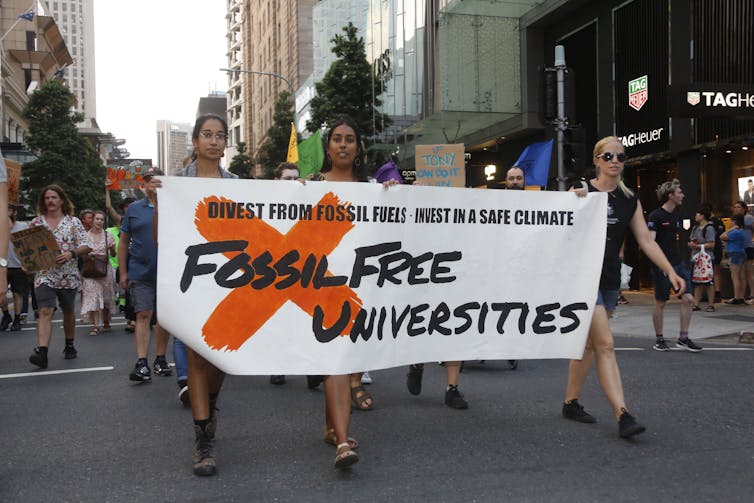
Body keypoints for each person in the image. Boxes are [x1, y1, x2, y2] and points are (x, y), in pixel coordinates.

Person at [563, 136, 685, 438]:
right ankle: (622, 414)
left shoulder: (629, 198)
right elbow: (560, 228)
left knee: (589, 345)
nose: (615, 160)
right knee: (605, 343)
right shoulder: (582, 192)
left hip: (608, 279)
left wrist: (670, 271)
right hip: (581, 279)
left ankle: (570, 402)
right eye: (608, 156)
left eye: (620, 156)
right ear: (597, 160)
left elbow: (645, 240)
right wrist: (571, 200)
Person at [154, 113, 238, 476]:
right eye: (207, 134)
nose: (214, 141)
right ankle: (203, 440)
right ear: (195, 140)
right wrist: (159, 201)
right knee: (197, 357)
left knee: (221, 359)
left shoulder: (238, 184)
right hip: (191, 280)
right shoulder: (176, 184)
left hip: (229, 279)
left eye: (220, 135)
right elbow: (161, 236)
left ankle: (211, 404)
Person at [28, 185, 92, 369]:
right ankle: (42, 351)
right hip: (44, 274)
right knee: (45, 310)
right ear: (43, 201)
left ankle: (69, 343)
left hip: (68, 274)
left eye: (54, 197)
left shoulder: (73, 222)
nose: (50, 201)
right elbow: (28, 248)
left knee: (68, 311)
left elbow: (87, 245)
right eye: (47, 198)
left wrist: (71, 254)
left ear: (62, 200)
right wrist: (27, 261)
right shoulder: (36, 223)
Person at [119, 167, 172, 382]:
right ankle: (142, 362)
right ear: (144, 185)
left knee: (163, 319)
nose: (153, 184)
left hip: (168, 272)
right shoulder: (133, 209)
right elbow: (123, 242)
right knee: (142, 314)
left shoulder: (173, 207)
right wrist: (123, 272)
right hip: (140, 272)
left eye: (157, 180)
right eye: (149, 180)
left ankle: (160, 359)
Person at [646, 179, 702, 353]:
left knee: (689, 299)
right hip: (661, 265)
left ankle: (683, 338)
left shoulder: (676, 216)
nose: (683, 195)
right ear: (671, 196)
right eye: (679, 192)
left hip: (678, 263)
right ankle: (659, 339)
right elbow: (650, 242)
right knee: (661, 302)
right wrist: (660, 264)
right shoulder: (655, 216)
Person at [269, 161, 301, 386]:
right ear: (276, 181)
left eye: (295, 178)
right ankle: (278, 366)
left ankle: (312, 371)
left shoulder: (307, 201)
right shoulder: (264, 203)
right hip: (275, 270)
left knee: (302, 319)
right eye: (287, 179)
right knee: (279, 319)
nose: (292, 183)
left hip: (303, 268)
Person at [81, 210, 116, 334]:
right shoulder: (85, 235)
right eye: (97, 219)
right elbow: (81, 252)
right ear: (92, 220)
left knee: (106, 297)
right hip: (90, 270)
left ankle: (106, 321)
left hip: (104, 269)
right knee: (93, 296)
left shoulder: (108, 236)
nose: (99, 222)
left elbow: (114, 254)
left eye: (101, 219)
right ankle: (95, 325)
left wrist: (111, 248)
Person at [2, 204, 29, 331]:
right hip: (3, 265)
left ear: (13, 212)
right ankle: (6, 315)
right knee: (1, 294)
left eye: (8, 210)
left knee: (17, 293)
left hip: (18, 265)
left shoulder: (22, 226)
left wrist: (27, 263)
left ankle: (17, 318)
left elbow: (29, 246)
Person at [688, 207, 716, 312]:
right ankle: (696, 303)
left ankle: (711, 304)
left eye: (697, 214)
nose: (696, 216)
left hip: (707, 258)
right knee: (697, 281)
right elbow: (691, 240)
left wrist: (699, 246)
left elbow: (712, 243)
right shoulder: (695, 228)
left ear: (703, 216)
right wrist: (692, 244)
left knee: (709, 281)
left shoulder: (709, 228)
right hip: (695, 257)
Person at [721, 213, 748, 305]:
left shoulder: (735, 231)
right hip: (741, 253)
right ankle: (741, 296)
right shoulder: (742, 231)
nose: (729, 222)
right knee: (741, 277)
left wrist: (729, 230)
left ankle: (737, 297)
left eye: (731, 221)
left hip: (734, 254)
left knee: (735, 276)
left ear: (735, 222)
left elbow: (722, 236)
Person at [730, 201, 754, 302]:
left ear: (744, 209)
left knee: (749, 271)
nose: (736, 209)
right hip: (739, 247)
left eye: (739, 207)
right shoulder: (734, 219)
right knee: (741, 273)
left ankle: (752, 294)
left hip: (748, 246)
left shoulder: (748, 218)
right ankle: (741, 296)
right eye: (735, 207)